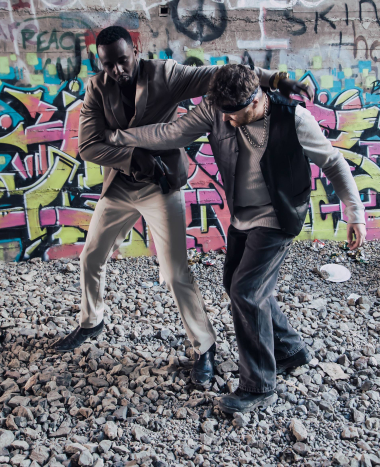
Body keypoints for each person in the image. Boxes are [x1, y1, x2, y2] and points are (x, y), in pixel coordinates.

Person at [51, 25, 307, 387]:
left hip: (161, 187)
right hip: (120, 187)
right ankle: (92, 321)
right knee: (90, 258)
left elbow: (221, 75)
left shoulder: (165, 75)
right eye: (108, 64)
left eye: (122, 61)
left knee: (174, 273)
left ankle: (205, 348)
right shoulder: (97, 88)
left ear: (135, 49)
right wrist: (132, 158)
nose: (117, 70)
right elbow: (89, 146)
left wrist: (276, 79)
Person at [102, 63, 366, 412]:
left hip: (279, 215)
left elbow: (332, 162)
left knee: (247, 291)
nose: (225, 120)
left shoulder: (294, 119)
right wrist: (118, 138)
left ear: (256, 100)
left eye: (232, 114)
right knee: (235, 283)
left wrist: (355, 214)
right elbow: (171, 132)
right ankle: (289, 349)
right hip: (242, 215)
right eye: (222, 113)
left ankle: (259, 385)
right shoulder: (219, 108)